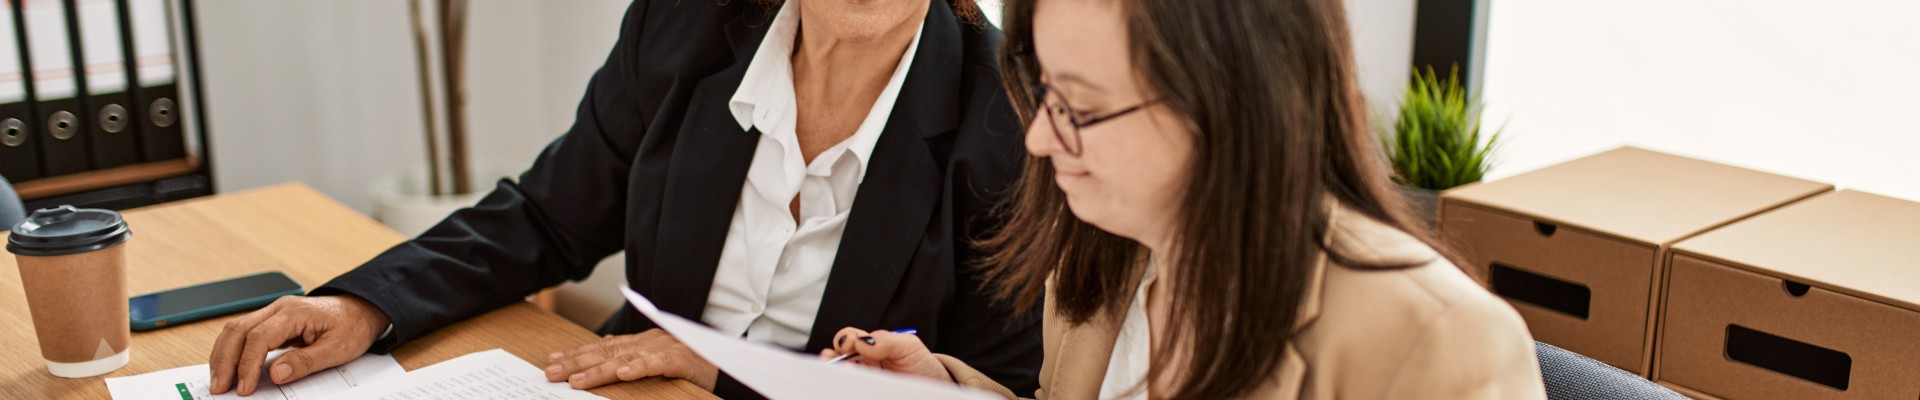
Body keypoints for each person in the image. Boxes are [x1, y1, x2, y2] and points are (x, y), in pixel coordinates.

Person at [203, 0, 1041, 398]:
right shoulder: (683, 24)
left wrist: (713, 370)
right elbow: (544, 216)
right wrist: (362, 305)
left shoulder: (1016, 124)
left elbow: (989, 390)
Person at [820, 0, 1547, 398]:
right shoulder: (1105, 252)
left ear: (1231, 107)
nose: (1038, 141)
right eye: (1045, 96)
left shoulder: (1440, 345)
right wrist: (941, 387)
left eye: (1082, 109)